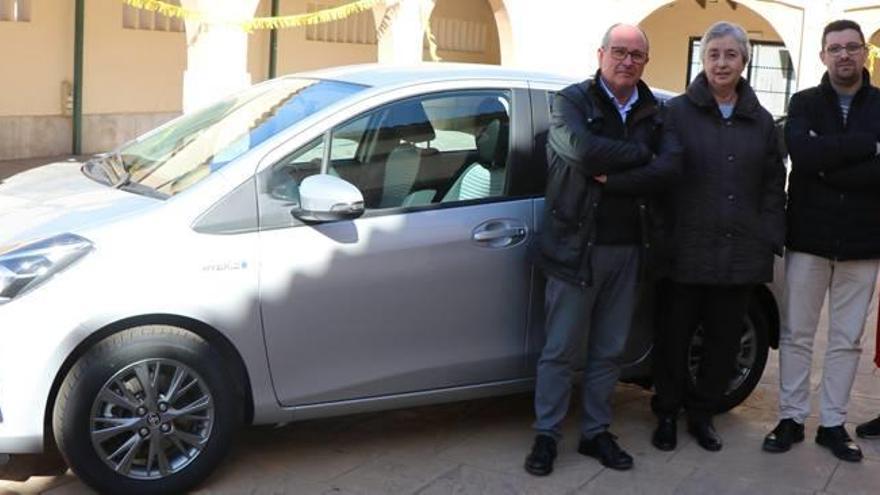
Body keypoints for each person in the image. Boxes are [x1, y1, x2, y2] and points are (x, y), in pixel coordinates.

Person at [526, 23, 681, 476]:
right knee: (559, 351)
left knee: (608, 352)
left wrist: (616, 174)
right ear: (600, 54)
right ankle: (547, 436)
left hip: (631, 249)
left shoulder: (656, 111)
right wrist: (641, 156)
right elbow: (581, 151)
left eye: (636, 55)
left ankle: (595, 432)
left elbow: (669, 168)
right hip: (576, 248)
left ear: (646, 62)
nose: (627, 60)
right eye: (619, 51)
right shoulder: (571, 101)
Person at [650, 21, 786, 453]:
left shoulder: (761, 122)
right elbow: (660, 182)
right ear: (703, 60)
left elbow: (772, 185)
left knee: (723, 342)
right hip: (684, 250)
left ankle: (703, 415)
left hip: (740, 252)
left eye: (731, 55)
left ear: (744, 61)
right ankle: (667, 413)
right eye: (714, 54)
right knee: (674, 339)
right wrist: (663, 236)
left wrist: (767, 236)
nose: (722, 63)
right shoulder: (675, 114)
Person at [763, 19, 880, 462]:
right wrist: (868, 146)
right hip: (809, 237)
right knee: (796, 334)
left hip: (864, 243)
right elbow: (804, 158)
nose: (844, 55)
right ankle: (791, 418)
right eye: (836, 48)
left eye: (852, 47)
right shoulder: (805, 102)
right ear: (823, 55)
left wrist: (828, 157)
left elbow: (822, 160)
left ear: (864, 53)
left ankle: (832, 424)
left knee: (847, 340)